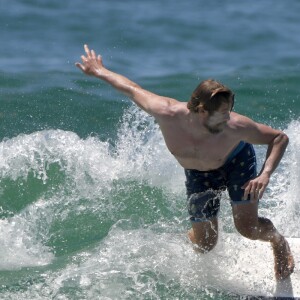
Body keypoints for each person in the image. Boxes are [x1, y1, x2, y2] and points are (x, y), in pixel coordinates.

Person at [76, 44, 294, 281]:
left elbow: (279, 138)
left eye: (230, 111)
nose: (229, 118)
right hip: (199, 174)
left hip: (236, 163)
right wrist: (99, 71)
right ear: (201, 110)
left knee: (248, 228)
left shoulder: (236, 127)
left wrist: (265, 174)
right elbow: (132, 89)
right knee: (205, 245)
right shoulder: (166, 112)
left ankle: (278, 242)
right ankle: (181, 240)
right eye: (222, 114)